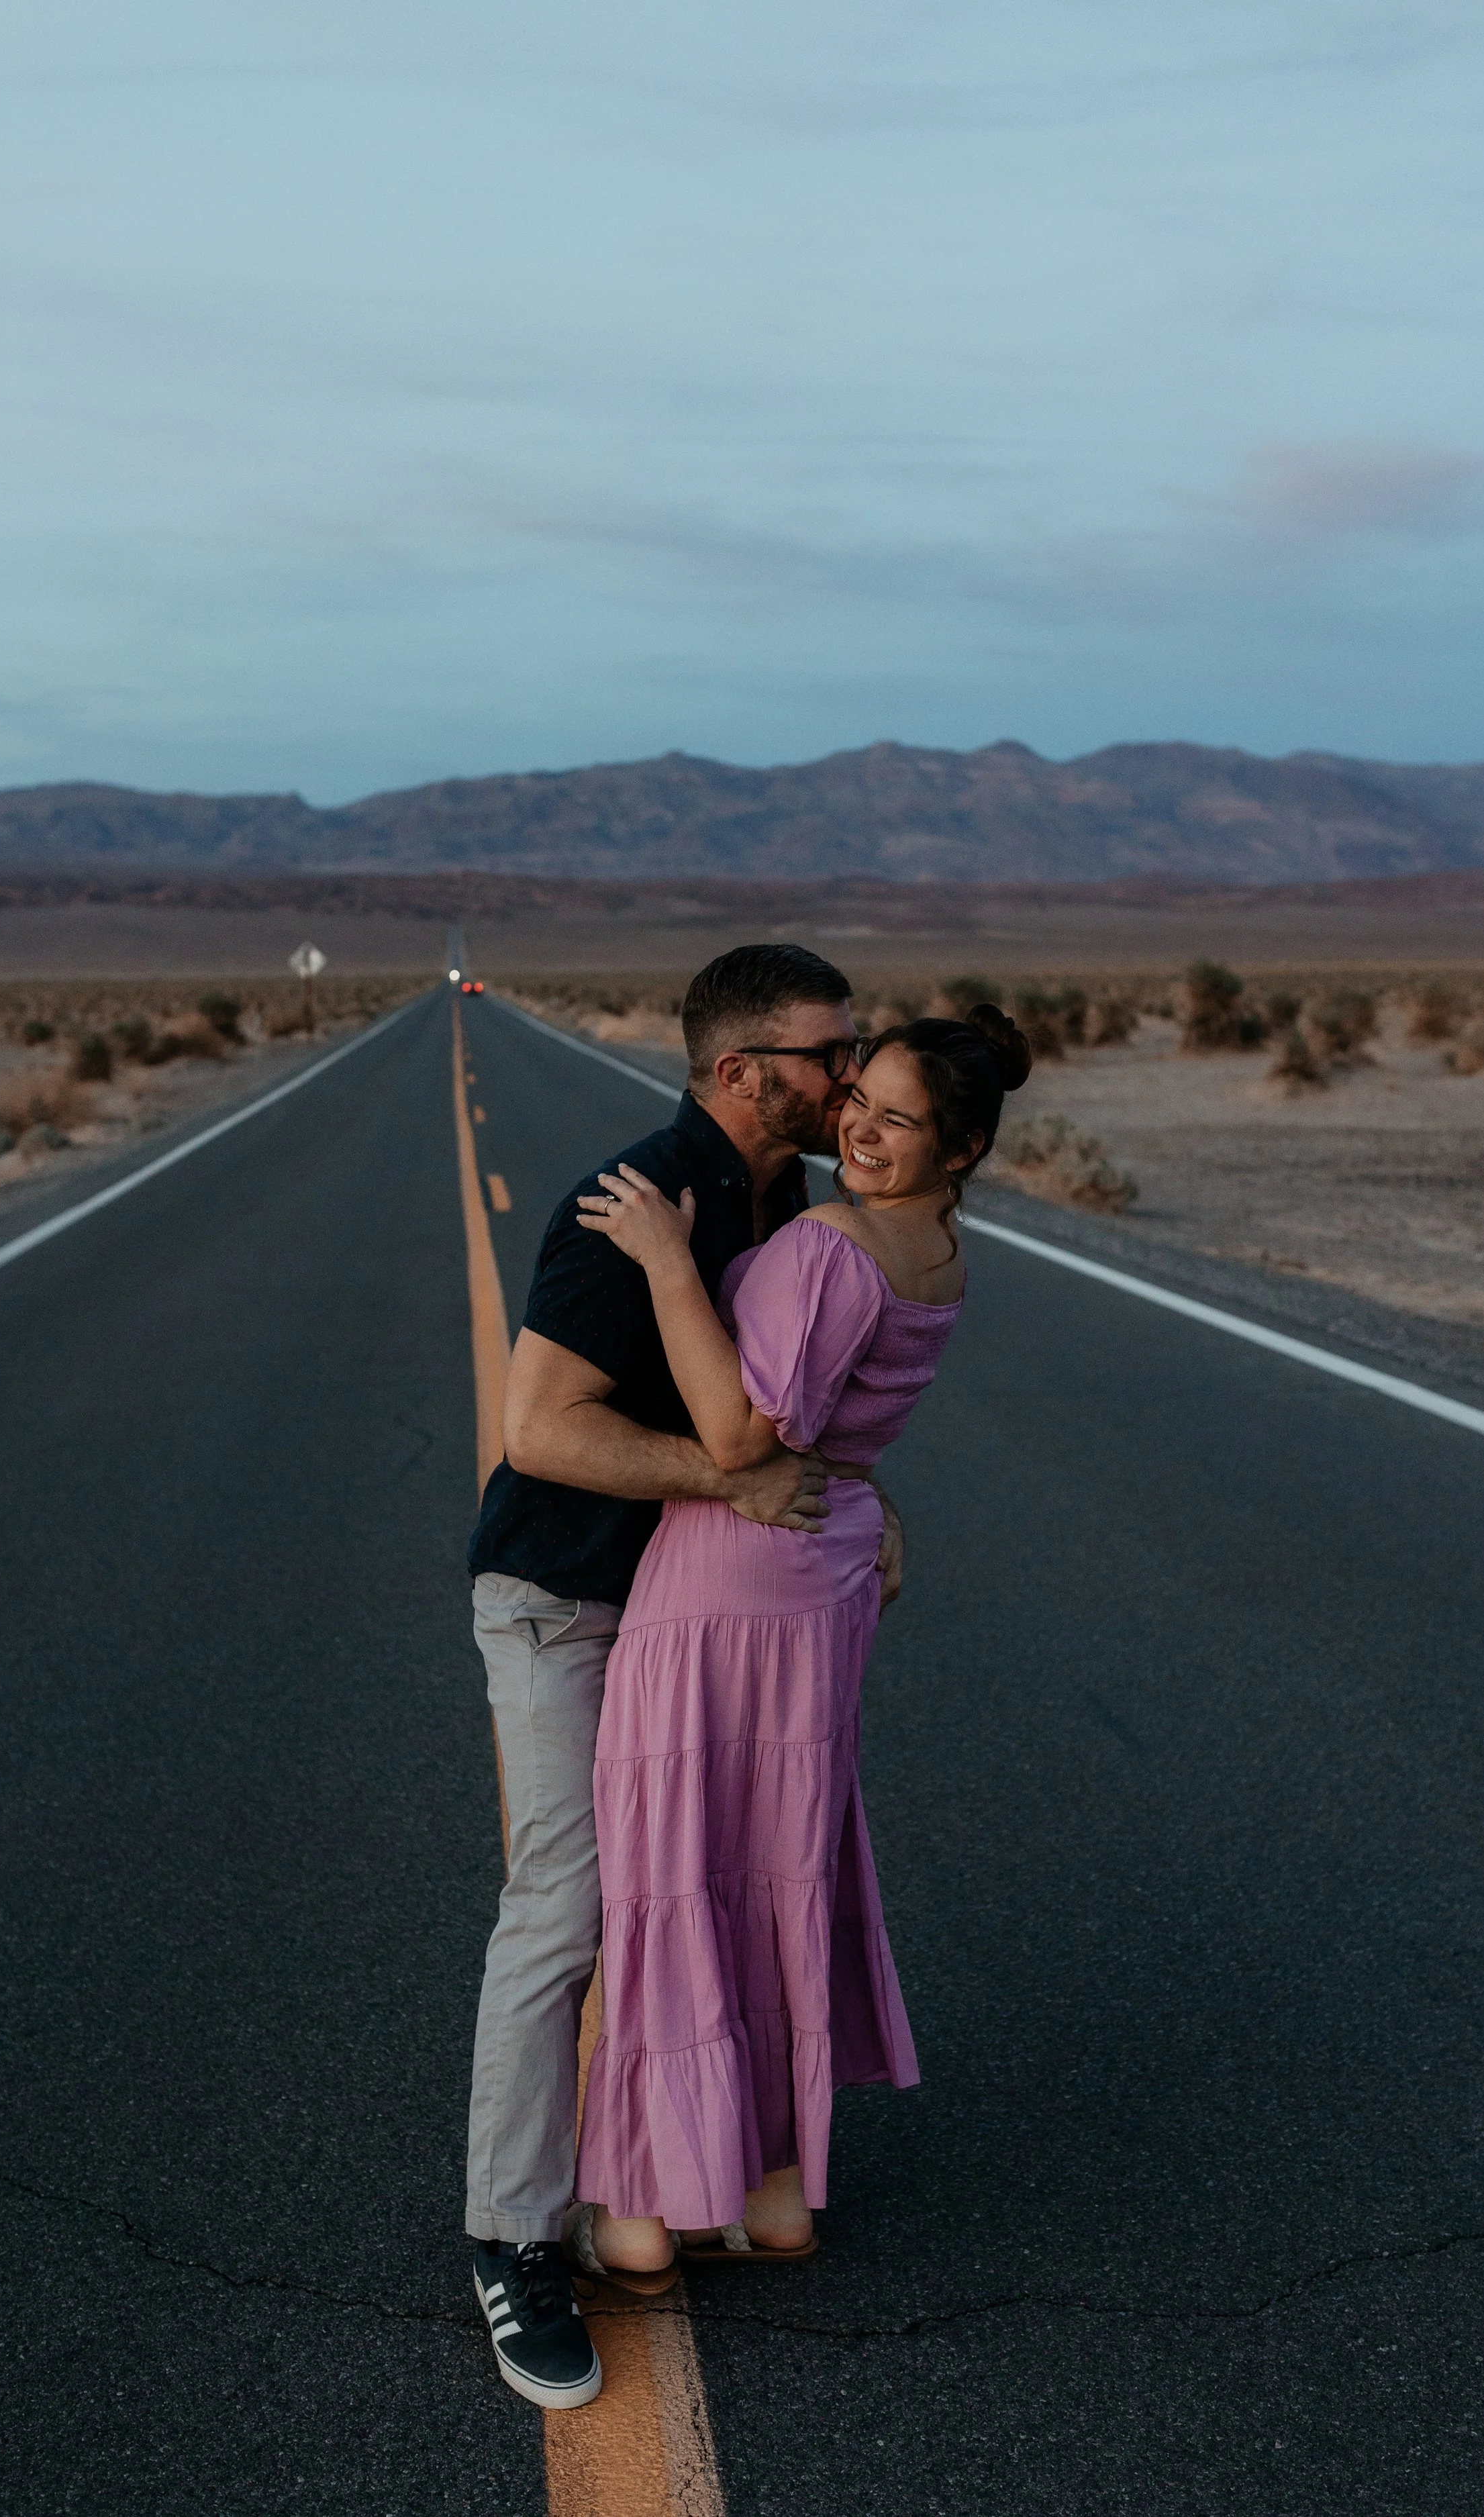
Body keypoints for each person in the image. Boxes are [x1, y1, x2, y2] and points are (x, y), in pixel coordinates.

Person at [466, 944, 906, 2412]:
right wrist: (731, 1487)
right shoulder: (630, 1205)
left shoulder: (790, 1201)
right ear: (737, 1072)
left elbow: (804, 1398)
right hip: (563, 1600)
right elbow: (538, 1429)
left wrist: (855, 1495)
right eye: (823, 1051)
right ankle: (514, 2239)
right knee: (571, 1903)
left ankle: (688, 2175)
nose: (849, 1075)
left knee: (720, 1884)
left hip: (686, 1616)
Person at [566, 1005, 1031, 2281]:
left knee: (676, 1865)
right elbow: (844, 1427)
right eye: (859, 1101)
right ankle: (774, 2195)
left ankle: (646, 2212)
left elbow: (741, 1439)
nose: (863, 1132)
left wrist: (669, 1260)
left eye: (901, 1119)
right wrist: (876, 1500)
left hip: (733, 1578)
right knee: (777, 1863)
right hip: (825, 1575)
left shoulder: (831, 1245)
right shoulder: (938, 1245)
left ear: (966, 1143)